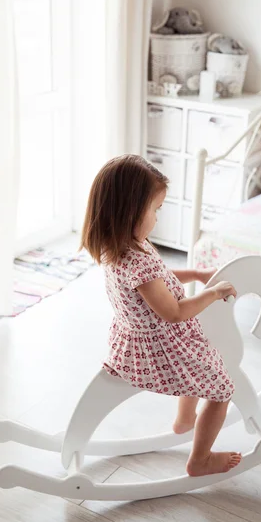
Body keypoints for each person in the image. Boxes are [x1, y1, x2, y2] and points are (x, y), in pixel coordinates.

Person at [80, 154, 241, 477]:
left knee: (201, 362)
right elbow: (175, 312)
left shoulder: (123, 247)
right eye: (155, 210)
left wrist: (194, 272)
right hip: (160, 349)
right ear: (129, 211)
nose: (157, 217)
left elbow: (160, 281)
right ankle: (200, 460)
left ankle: (184, 420)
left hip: (143, 338)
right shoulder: (135, 259)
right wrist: (213, 293)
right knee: (222, 389)